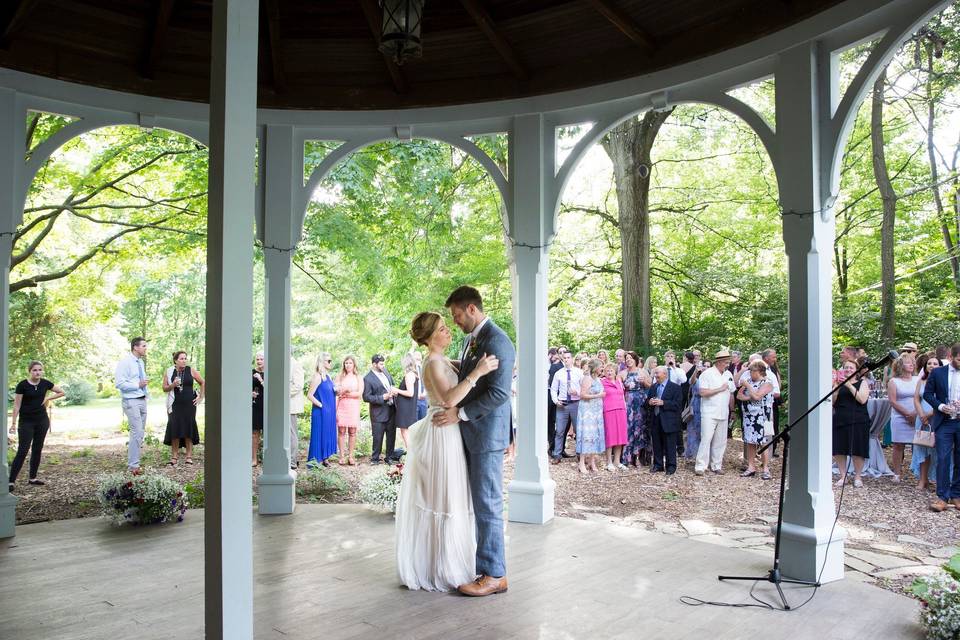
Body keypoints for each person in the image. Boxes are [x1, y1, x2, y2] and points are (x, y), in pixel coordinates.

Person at [396, 311, 499, 592]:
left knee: (454, 494)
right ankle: (441, 567)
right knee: (445, 497)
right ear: (429, 337)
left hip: (451, 430)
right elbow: (449, 398)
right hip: (441, 433)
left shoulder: (441, 360)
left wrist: (474, 364)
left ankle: (456, 560)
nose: (448, 331)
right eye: (441, 329)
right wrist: (478, 373)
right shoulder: (431, 363)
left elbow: (456, 369)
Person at [431, 285, 516, 597]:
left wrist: (460, 414)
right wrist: (442, 363)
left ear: (471, 309)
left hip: (485, 434)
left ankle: (495, 574)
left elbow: (499, 393)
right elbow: (474, 376)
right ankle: (485, 566)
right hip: (473, 433)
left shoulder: (498, 341)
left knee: (488, 504)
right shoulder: (474, 339)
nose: (455, 322)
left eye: (456, 315)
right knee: (479, 503)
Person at [8, 361, 64, 490]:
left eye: (39, 370)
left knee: (37, 449)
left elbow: (61, 392)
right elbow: (16, 405)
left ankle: (32, 478)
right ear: (30, 371)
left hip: (42, 421)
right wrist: (13, 423)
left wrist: (48, 398)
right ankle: (11, 481)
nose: (37, 372)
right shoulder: (22, 385)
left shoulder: (45, 383)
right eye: (34, 370)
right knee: (23, 450)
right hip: (26, 422)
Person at [923, 343, 960, 512]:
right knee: (943, 458)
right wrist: (940, 406)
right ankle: (942, 497)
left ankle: (956, 495)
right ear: (951, 357)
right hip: (944, 422)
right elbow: (928, 394)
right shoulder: (938, 372)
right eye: (959, 359)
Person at [694, 350, 735, 475]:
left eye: (728, 362)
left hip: (724, 412)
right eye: (725, 362)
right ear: (719, 362)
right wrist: (719, 389)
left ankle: (716, 465)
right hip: (709, 412)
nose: (727, 364)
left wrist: (732, 410)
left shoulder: (728, 374)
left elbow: (732, 392)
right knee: (706, 438)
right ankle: (701, 466)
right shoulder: (707, 374)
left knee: (721, 440)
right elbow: (702, 392)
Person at [832, 359, 870, 488]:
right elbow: (832, 402)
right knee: (839, 449)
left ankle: (858, 476)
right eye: (846, 368)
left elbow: (862, 399)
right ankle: (843, 476)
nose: (848, 370)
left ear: (857, 370)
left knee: (857, 448)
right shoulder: (837, 383)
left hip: (858, 419)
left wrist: (848, 385)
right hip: (840, 418)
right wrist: (836, 387)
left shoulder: (862, 383)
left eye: (851, 368)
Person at [162, 351, 204, 465]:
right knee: (174, 427)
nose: (184, 360)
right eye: (181, 358)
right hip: (174, 404)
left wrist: (201, 397)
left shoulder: (190, 370)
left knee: (188, 427)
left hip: (189, 404)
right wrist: (172, 385)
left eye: (185, 358)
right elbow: (164, 388)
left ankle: (188, 456)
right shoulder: (169, 371)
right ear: (175, 360)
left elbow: (202, 382)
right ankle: (174, 457)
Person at [115, 337, 149, 475]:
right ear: (135, 347)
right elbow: (119, 383)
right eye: (144, 346)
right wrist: (137, 385)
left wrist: (145, 390)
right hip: (131, 401)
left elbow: (140, 381)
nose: (146, 348)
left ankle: (134, 462)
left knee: (140, 433)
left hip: (142, 400)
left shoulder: (140, 362)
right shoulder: (125, 362)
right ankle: (133, 466)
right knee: (136, 432)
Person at [737, 360, 774, 480]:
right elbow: (739, 395)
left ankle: (766, 468)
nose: (749, 374)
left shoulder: (767, 383)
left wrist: (748, 388)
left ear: (758, 371)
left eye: (751, 371)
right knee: (750, 441)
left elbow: (758, 396)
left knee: (764, 442)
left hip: (763, 417)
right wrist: (750, 396)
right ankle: (751, 467)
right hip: (749, 417)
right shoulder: (749, 381)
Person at [886, 353, 918, 483]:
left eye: (912, 362)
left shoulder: (918, 380)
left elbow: (921, 398)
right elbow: (892, 401)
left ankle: (919, 473)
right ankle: (897, 473)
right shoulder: (894, 381)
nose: (911, 364)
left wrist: (915, 413)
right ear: (900, 365)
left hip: (917, 414)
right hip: (899, 416)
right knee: (898, 445)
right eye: (908, 362)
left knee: (919, 444)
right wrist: (907, 414)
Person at [646, 366, 682, 475]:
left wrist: (664, 403)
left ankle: (671, 467)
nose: (656, 375)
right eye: (655, 373)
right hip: (655, 419)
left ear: (665, 374)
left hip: (669, 421)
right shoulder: (653, 387)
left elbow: (678, 404)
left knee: (670, 444)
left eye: (658, 373)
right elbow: (646, 401)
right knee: (656, 443)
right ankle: (658, 465)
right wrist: (649, 402)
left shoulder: (675, 387)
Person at [363, 354, 399, 464]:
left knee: (391, 435)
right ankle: (375, 459)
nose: (383, 366)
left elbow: (392, 384)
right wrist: (381, 397)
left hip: (391, 408)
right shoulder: (367, 378)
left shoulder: (386, 372)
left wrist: (394, 391)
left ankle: (389, 457)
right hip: (378, 411)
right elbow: (366, 397)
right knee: (378, 436)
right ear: (374, 364)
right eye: (381, 364)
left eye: (384, 363)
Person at [912, 352, 939, 491]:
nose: (932, 366)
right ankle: (923, 480)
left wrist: (929, 414)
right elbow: (916, 398)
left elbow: (943, 402)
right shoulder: (921, 381)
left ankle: (937, 479)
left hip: (936, 417)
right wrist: (921, 414)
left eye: (935, 363)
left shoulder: (942, 382)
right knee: (922, 448)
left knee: (936, 449)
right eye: (929, 363)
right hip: (921, 418)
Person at [550, 351, 582, 463]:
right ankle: (557, 455)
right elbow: (553, 389)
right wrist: (556, 400)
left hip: (576, 404)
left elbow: (584, 388)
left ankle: (580, 454)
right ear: (562, 359)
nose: (567, 359)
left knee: (579, 430)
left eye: (568, 357)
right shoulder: (558, 373)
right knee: (559, 431)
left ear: (572, 359)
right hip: (562, 404)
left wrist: (576, 392)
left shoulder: (579, 372)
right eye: (565, 358)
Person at [575, 358, 606, 474]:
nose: (602, 369)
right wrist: (598, 395)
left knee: (595, 435)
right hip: (587, 411)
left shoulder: (598, 379)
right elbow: (582, 395)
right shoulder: (587, 379)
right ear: (595, 367)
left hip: (596, 412)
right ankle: (581, 463)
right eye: (601, 367)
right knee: (586, 435)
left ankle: (592, 461)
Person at [619, 351, 650, 467]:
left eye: (631, 358)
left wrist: (644, 381)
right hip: (628, 403)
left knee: (640, 428)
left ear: (635, 359)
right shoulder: (622, 373)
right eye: (626, 358)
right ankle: (627, 457)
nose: (628, 360)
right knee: (628, 428)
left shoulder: (643, 372)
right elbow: (617, 388)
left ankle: (639, 457)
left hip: (641, 403)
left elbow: (650, 386)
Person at [307, 353, 337, 467]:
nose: (330, 363)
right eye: (329, 361)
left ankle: (325, 458)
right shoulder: (317, 376)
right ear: (322, 362)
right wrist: (321, 405)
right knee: (318, 435)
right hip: (320, 412)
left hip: (329, 412)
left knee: (327, 434)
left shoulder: (328, 376)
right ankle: (315, 461)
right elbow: (310, 395)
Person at [335, 355, 363, 465]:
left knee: (352, 432)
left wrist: (346, 393)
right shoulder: (340, 377)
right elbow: (337, 392)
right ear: (344, 365)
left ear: (354, 364)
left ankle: (351, 456)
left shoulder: (358, 377)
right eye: (346, 363)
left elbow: (359, 393)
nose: (348, 365)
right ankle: (341, 456)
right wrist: (344, 391)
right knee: (341, 431)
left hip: (353, 406)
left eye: (350, 363)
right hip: (341, 406)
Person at [601, 363, 627, 470]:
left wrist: (625, 408)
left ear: (615, 372)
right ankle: (609, 462)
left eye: (611, 370)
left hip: (621, 410)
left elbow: (623, 396)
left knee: (620, 436)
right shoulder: (602, 382)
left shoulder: (619, 382)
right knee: (610, 436)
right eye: (607, 371)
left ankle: (617, 461)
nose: (609, 372)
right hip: (609, 411)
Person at [393, 353, 421, 450]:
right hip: (408, 405)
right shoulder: (414, 374)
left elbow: (410, 393)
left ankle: (411, 454)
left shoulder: (409, 375)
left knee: (405, 431)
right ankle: (412, 454)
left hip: (406, 407)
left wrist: (397, 390)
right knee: (407, 431)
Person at [546, 347, 564, 458]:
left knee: (563, 424)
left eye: (563, 352)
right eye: (559, 352)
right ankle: (552, 447)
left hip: (563, 396)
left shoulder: (566, 366)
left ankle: (560, 448)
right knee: (551, 421)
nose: (561, 354)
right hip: (550, 394)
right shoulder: (550, 365)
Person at [289, 352, 305, 469]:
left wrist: (283, 395)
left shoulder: (295, 364)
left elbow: (299, 385)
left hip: (291, 405)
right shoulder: (283, 364)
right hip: (281, 406)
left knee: (291, 433)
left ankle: (293, 462)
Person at [251, 352, 265, 466]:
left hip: (267, 405)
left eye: (261, 359)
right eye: (257, 359)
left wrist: (260, 379)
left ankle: (267, 458)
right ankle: (254, 459)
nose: (259, 361)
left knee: (268, 433)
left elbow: (271, 389)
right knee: (255, 433)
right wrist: (250, 393)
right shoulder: (251, 372)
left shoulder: (269, 372)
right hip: (255, 405)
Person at [412, 350, 428, 421]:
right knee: (415, 422)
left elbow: (429, 383)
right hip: (414, 399)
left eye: (419, 356)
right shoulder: (411, 370)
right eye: (416, 356)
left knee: (423, 421)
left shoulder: (425, 369)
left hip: (424, 400)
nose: (418, 357)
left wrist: (425, 393)